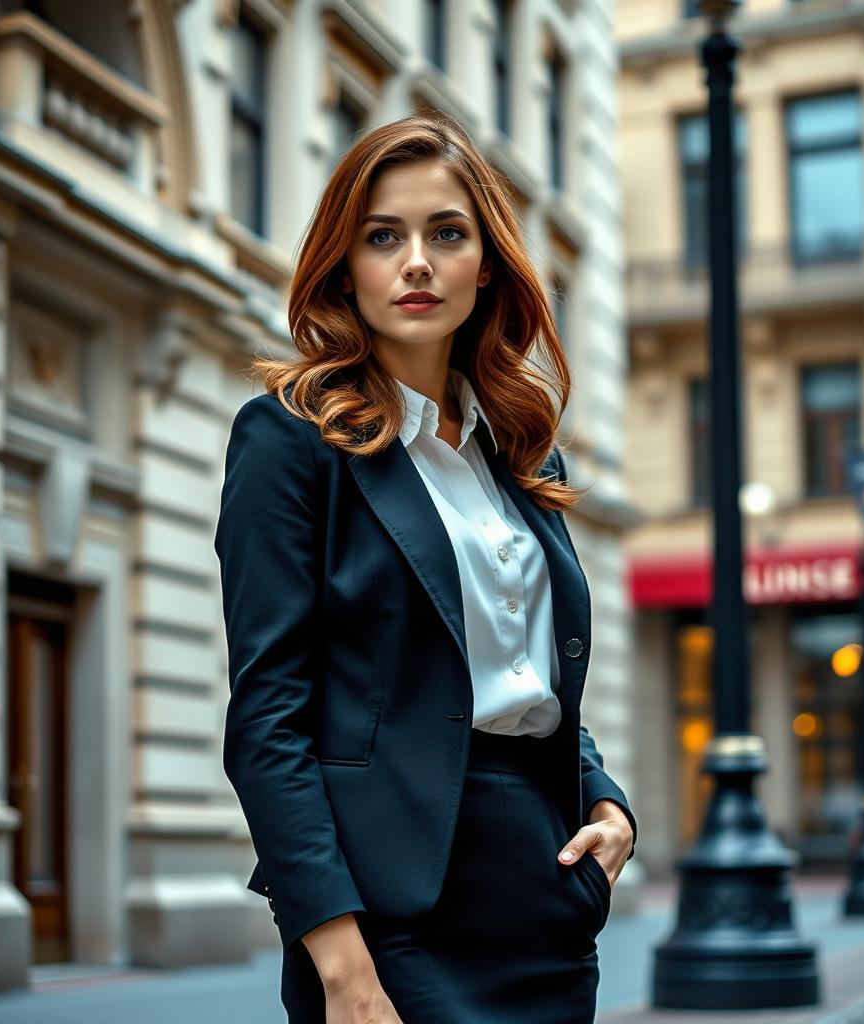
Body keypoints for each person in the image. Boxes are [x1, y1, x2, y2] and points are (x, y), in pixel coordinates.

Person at [214, 113, 637, 1024]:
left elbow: (525, 672)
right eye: (382, 237)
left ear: (486, 264)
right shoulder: (291, 441)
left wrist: (607, 805)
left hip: (544, 891)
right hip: (388, 912)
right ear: (345, 265)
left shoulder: (525, 454)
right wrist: (339, 962)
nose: (416, 261)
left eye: (447, 233)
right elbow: (267, 719)